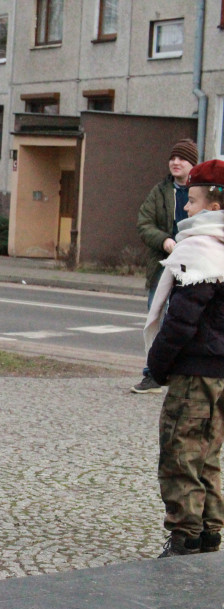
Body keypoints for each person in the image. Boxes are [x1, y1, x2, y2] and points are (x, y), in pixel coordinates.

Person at [144, 159, 224, 558]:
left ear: (213, 206)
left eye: (191, 201)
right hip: (221, 375)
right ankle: (209, 532)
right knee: (208, 456)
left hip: (194, 373)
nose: (186, 210)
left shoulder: (201, 249)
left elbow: (181, 321)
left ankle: (184, 538)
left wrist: (156, 366)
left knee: (181, 455)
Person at [134, 139, 198, 394]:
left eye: (182, 158)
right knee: (156, 317)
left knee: (191, 318)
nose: (175, 162)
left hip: (196, 265)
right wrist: (164, 241)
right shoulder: (160, 191)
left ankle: (188, 373)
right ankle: (153, 374)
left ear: (193, 163)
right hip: (163, 266)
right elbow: (144, 224)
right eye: (173, 158)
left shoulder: (205, 191)